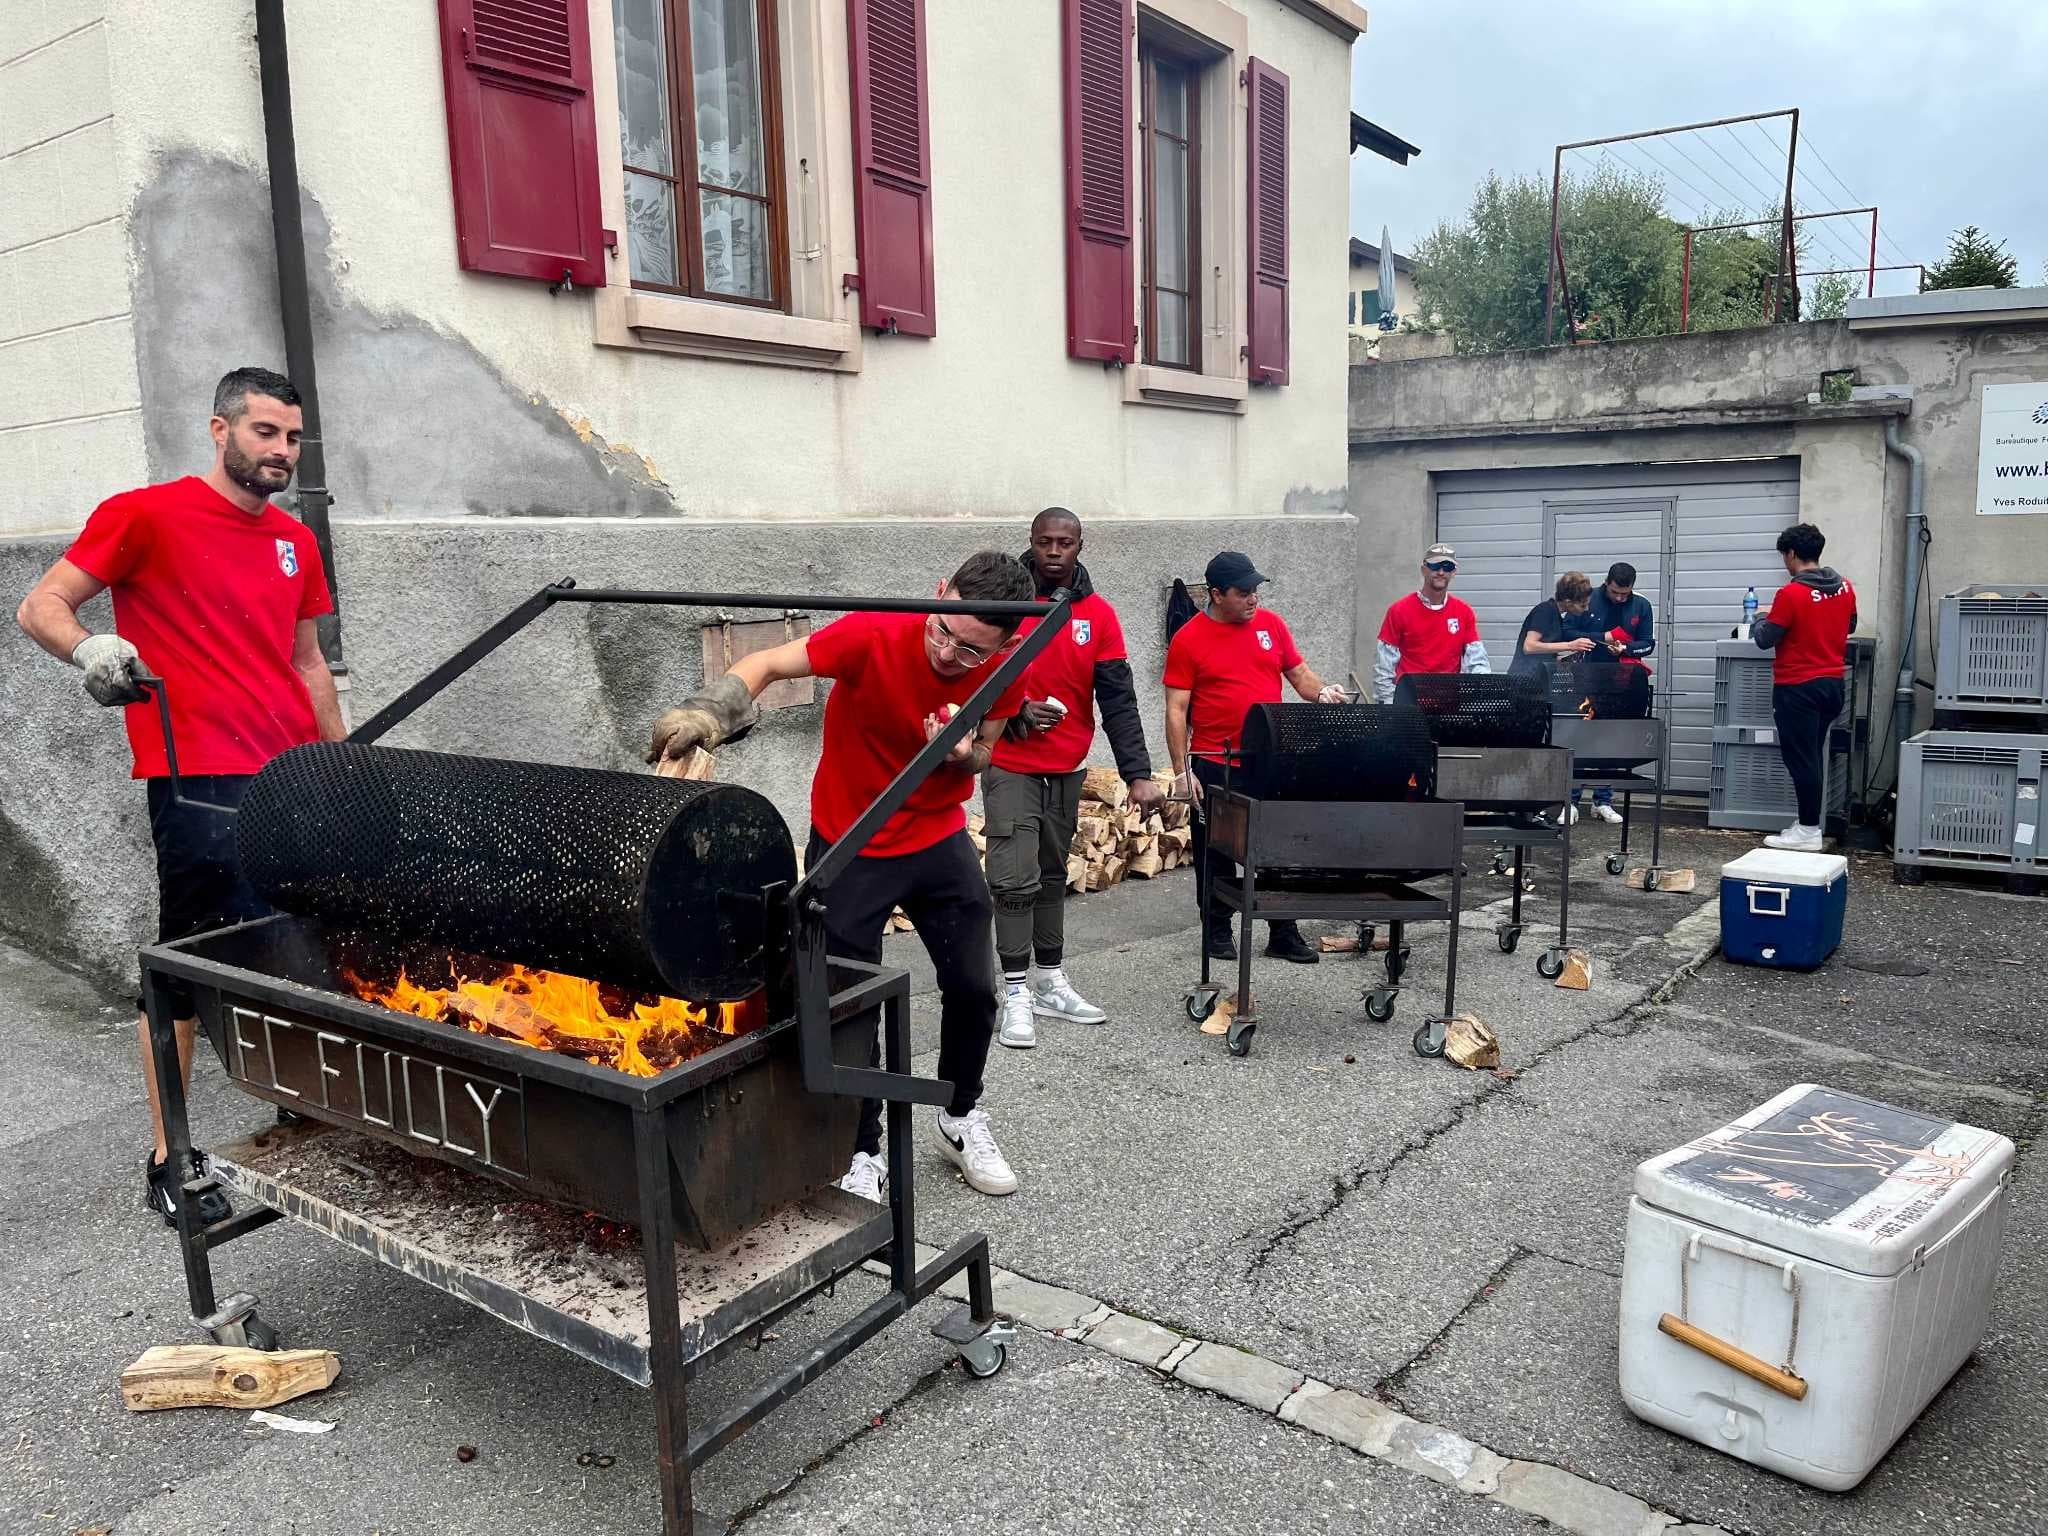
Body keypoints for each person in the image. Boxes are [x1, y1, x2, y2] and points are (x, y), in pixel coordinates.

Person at [15, 367, 344, 1228]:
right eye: (265, 432)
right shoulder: (144, 515)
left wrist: (342, 767)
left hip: (292, 774)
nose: (281, 450)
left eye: (292, 437)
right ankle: (169, 1156)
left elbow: (308, 661)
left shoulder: (294, 540)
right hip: (198, 778)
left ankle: (305, 1111)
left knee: (298, 942)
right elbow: (41, 605)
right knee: (191, 965)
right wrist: (90, 650)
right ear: (220, 430)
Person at [647, 551, 1035, 1199]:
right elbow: (767, 664)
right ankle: (860, 1148)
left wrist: (965, 755)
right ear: (939, 591)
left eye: (970, 651)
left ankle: (960, 1114)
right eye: (942, 630)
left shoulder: (1008, 664)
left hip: (936, 837)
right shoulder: (874, 633)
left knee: (975, 989)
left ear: (1006, 644)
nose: (947, 654)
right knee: (849, 1003)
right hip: (851, 837)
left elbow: (990, 749)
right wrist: (711, 711)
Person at [983, 509, 1160, 1050]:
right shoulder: (1005, 603)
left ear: (1081, 545)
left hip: (1066, 766)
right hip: (1009, 761)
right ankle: (1015, 990)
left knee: (1051, 874)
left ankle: (1049, 981)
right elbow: (971, 671)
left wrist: (1137, 774)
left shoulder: (1098, 615)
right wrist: (1016, 710)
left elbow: (1119, 699)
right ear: (1031, 543)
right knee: (1014, 878)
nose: (1054, 551)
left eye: (1065, 542)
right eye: (1045, 542)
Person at [1164, 551, 1350, 964]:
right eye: (1243, 592)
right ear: (1216, 594)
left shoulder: (1272, 625)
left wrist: (1322, 692)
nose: (1253, 599)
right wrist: (1181, 771)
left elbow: (1299, 675)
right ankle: (1216, 932)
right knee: (1216, 852)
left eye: (1255, 590)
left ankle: (1282, 931)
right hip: (1216, 763)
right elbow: (1176, 709)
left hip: (1270, 760)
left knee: (1279, 847)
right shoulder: (1189, 639)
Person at [1754, 523, 1856, 852]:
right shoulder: (1844, 586)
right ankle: (1807, 823)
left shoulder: (1791, 593)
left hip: (1798, 687)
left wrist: (1760, 617)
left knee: (1801, 760)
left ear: (1792, 554)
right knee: (1812, 755)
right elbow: (1850, 624)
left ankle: (1809, 830)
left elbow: (1765, 639)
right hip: (1832, 685)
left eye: (1784, 556)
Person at [1568, 562, 1656, 825]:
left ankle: (1603, 801)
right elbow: (1568, 632)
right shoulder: (1588, 599)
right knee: (1580, 738)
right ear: (1606, 583)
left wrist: (1626, 649)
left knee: (1610, 740)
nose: (1619, 598)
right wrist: (1603, 637)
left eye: (1624, 594)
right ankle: (1571, 801)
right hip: (1586, 678)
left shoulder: (1641, 605)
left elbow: (1648, 643)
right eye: (1615, 592)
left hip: (1621, 682)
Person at [1510, 571, 1598, 823]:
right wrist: (1570, 645)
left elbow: (1543, 651)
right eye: (1583, 604)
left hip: (1536, 687)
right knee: (1529, 751)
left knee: (1536, 749)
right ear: (1568, 601)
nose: (1586, 608)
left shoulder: (1556, 615)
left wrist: (1564, 656)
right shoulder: (1545, 611)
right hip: (1524, 689)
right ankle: (1523, 808)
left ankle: (1530, 808)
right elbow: (1530, 646)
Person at [1372, 543, 1491, 702]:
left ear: (1454, 572)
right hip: (1410, 705)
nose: (1441, 572)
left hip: (1449, 705)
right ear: (1424, 569)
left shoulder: (1464, 612)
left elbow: (1478, 663)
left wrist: (1480, 697)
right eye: (1435, 566)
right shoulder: (1399, 610)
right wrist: (1391, 707)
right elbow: (1383, 669)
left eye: (1447, 567)